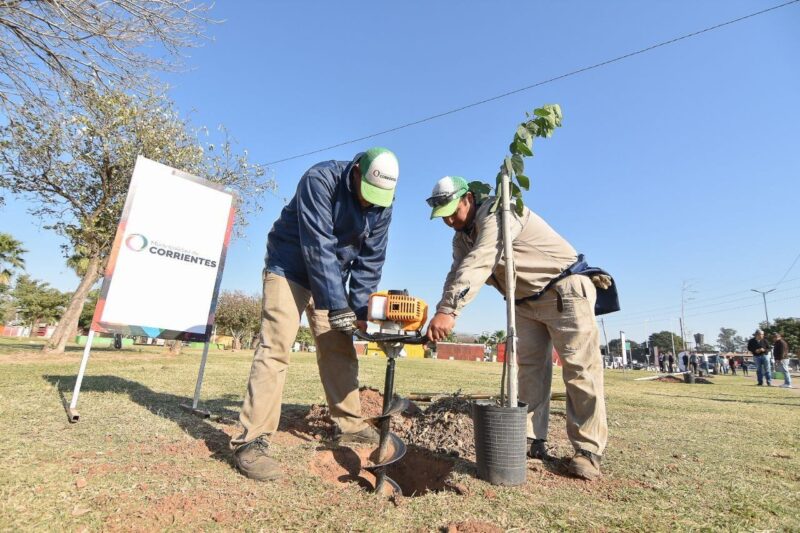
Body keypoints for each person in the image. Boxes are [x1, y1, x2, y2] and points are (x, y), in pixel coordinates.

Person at [423, 176, 618, 481]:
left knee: (580, 371)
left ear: (469, 198)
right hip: (525, 302)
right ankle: (530, 439)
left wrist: (450, 310)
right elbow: (457, 271)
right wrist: (440, 310)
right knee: (528, 370)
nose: (448, 219)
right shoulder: (461, 237)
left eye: (452, 210)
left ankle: (588, 451)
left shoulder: (500, 211)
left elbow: (481, 261)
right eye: (442, 216)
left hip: (563, 290)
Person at [231, 148, 400, 481]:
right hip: (290, 266)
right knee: (276, 347)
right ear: (355, 171)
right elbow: (317, 243)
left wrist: (360, 309)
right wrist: (337, 304)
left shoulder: (383, 204)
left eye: (378, 199)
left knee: (339, 348)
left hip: (331, 275)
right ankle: (250, 441)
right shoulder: (320, 180)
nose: (369, 204)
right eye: (367, 195)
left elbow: (370, 261)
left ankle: (350, 426)